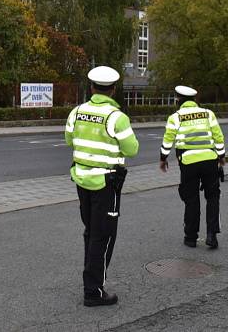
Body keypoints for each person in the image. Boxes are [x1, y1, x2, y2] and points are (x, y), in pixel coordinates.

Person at [65, 65, 139, 307]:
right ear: (113, 90)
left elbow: (69, 140)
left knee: (90, 232)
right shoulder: (117, 117)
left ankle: (91, 281)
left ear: (91, 87)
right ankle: (94, 291)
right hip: (106, 184)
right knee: (103, 235)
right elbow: (132, 149)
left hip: (82, 180)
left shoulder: (76, 112)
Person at [159, 85, 225, 249]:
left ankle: (190, 237)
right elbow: (218, 136)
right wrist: (222, 156)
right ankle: (212, 235)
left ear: (178, 100)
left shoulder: (175, 117)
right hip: (210, 160)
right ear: (194, 100)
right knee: (213, 197)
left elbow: (168, 140)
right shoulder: (208, 114)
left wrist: (163, 158)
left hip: (188, 163)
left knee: (191, 199)